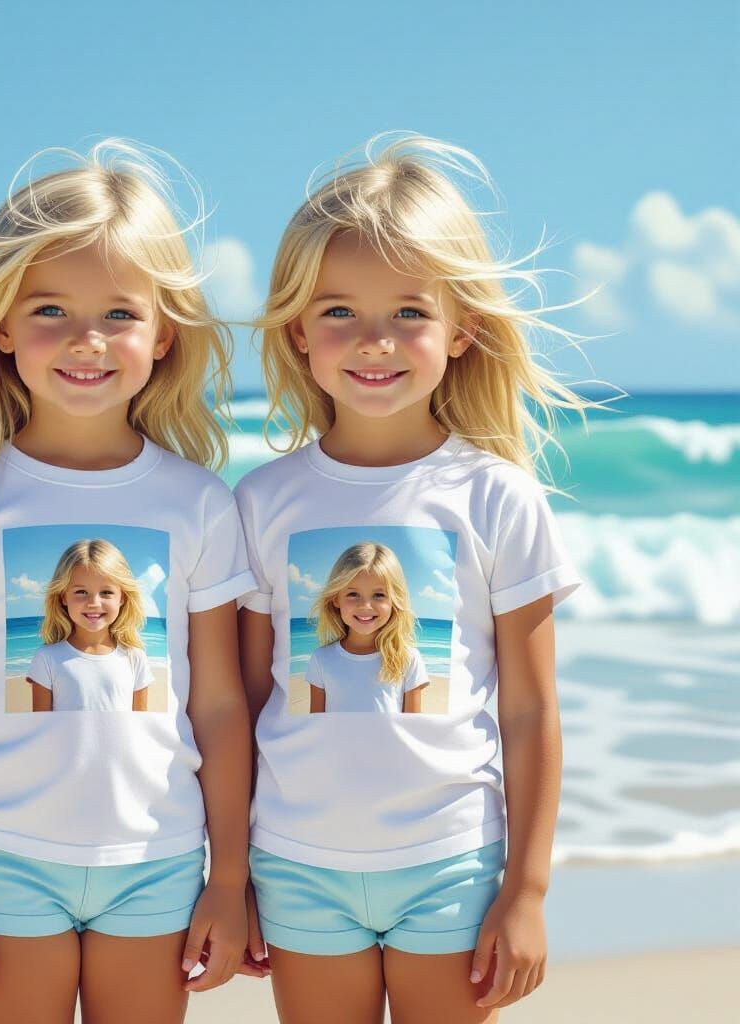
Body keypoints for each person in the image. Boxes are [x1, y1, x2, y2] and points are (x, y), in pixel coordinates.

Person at [0, 140, 262, 1024]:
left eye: (120, 313)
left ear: (164, 334)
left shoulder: (199, 503)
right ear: (2, 325)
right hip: (4, 858)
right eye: (50, 308)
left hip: (159, 859)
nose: (86, 340)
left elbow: (223, 707)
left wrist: (229, 879)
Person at [235, 133, 593, 1023]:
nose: (374, 342)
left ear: (462, 328)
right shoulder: (262, 501)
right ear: (297, 331)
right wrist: (229, 873)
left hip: (454, 865)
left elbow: (530, 708)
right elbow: (241, 700)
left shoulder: (497, 497)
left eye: (408, 313)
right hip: (296, 864)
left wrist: (528, 891)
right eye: (340, 313)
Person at [27, 539, 153, 713]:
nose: (94, 603)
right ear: (63, 596)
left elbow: (140, 727)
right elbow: (40, 730)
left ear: (122, 597)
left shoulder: (135, 658)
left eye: (106, 592)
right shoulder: (47, 658)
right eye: (81, 592)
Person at [305, 542, 429, 714]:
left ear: (394, 600)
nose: (365, 606)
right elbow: (316, 728)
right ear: (336, 598)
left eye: (379, 595)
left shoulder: (408, 659)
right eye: (353, 594)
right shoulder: (321, 659)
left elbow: (413, 730)